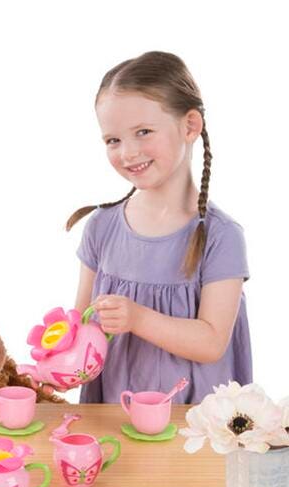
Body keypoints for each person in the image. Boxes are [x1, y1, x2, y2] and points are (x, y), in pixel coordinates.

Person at [66, 51, 252, 405]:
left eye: (143, 132)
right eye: (113, 140)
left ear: (190, 126)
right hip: (112, 414)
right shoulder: (101, 227)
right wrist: (56, 363)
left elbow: (211, 342)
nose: (127, 152)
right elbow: (81, 325)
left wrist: (137, 318)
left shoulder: (222, 236)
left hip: (192, 420)